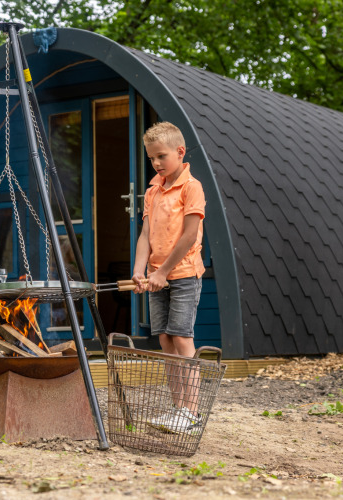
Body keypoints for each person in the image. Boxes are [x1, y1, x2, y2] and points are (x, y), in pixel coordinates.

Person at [131, 121, 206, 433]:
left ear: (180, 151)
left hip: (184, 274)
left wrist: (163, 272)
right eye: (151, 159)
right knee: (164, 339)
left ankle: (192, 413)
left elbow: (189, 236)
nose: (156, 163)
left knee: (181, 338)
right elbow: (146, 234)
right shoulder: (152, 191)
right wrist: (140, 270)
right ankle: (178, 410)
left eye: (161, 156)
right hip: (155, 277)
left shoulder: (192, 187)